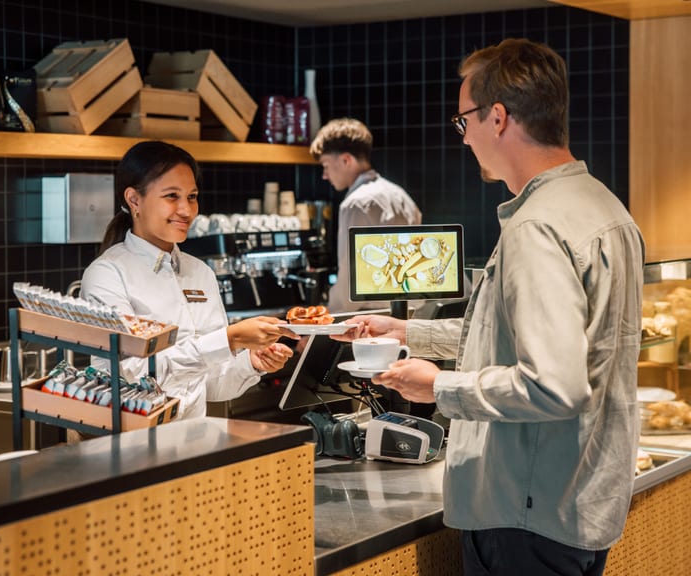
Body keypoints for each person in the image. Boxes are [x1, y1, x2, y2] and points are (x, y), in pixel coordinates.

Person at [337, 39, 644, 575]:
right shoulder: (603, 206)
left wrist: (437, 387)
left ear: (497, 117)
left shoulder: (536, 227)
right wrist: (406, 331)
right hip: (582, 501)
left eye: (464, 123)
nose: (466, 139)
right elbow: (530, 336)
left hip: (526, 512)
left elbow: (553, 383)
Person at [81, 141, 297, 420]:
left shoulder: (200, 273)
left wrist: (251, 364)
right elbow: (131, 377)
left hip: (194, 443)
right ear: (134, 200)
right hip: (132, 448)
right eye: (172, 196)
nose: (186, 210)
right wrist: (229, 339)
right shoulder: (107, 275)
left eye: (192, 196)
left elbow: (212, 385)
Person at [309, 117, 422, 313]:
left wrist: (321, 327)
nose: (324, 175)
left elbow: (349, 284)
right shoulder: (400, 194)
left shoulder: (356, 204)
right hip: (412, 309)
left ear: (346, 160)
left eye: (326, 166)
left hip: (371, 316)